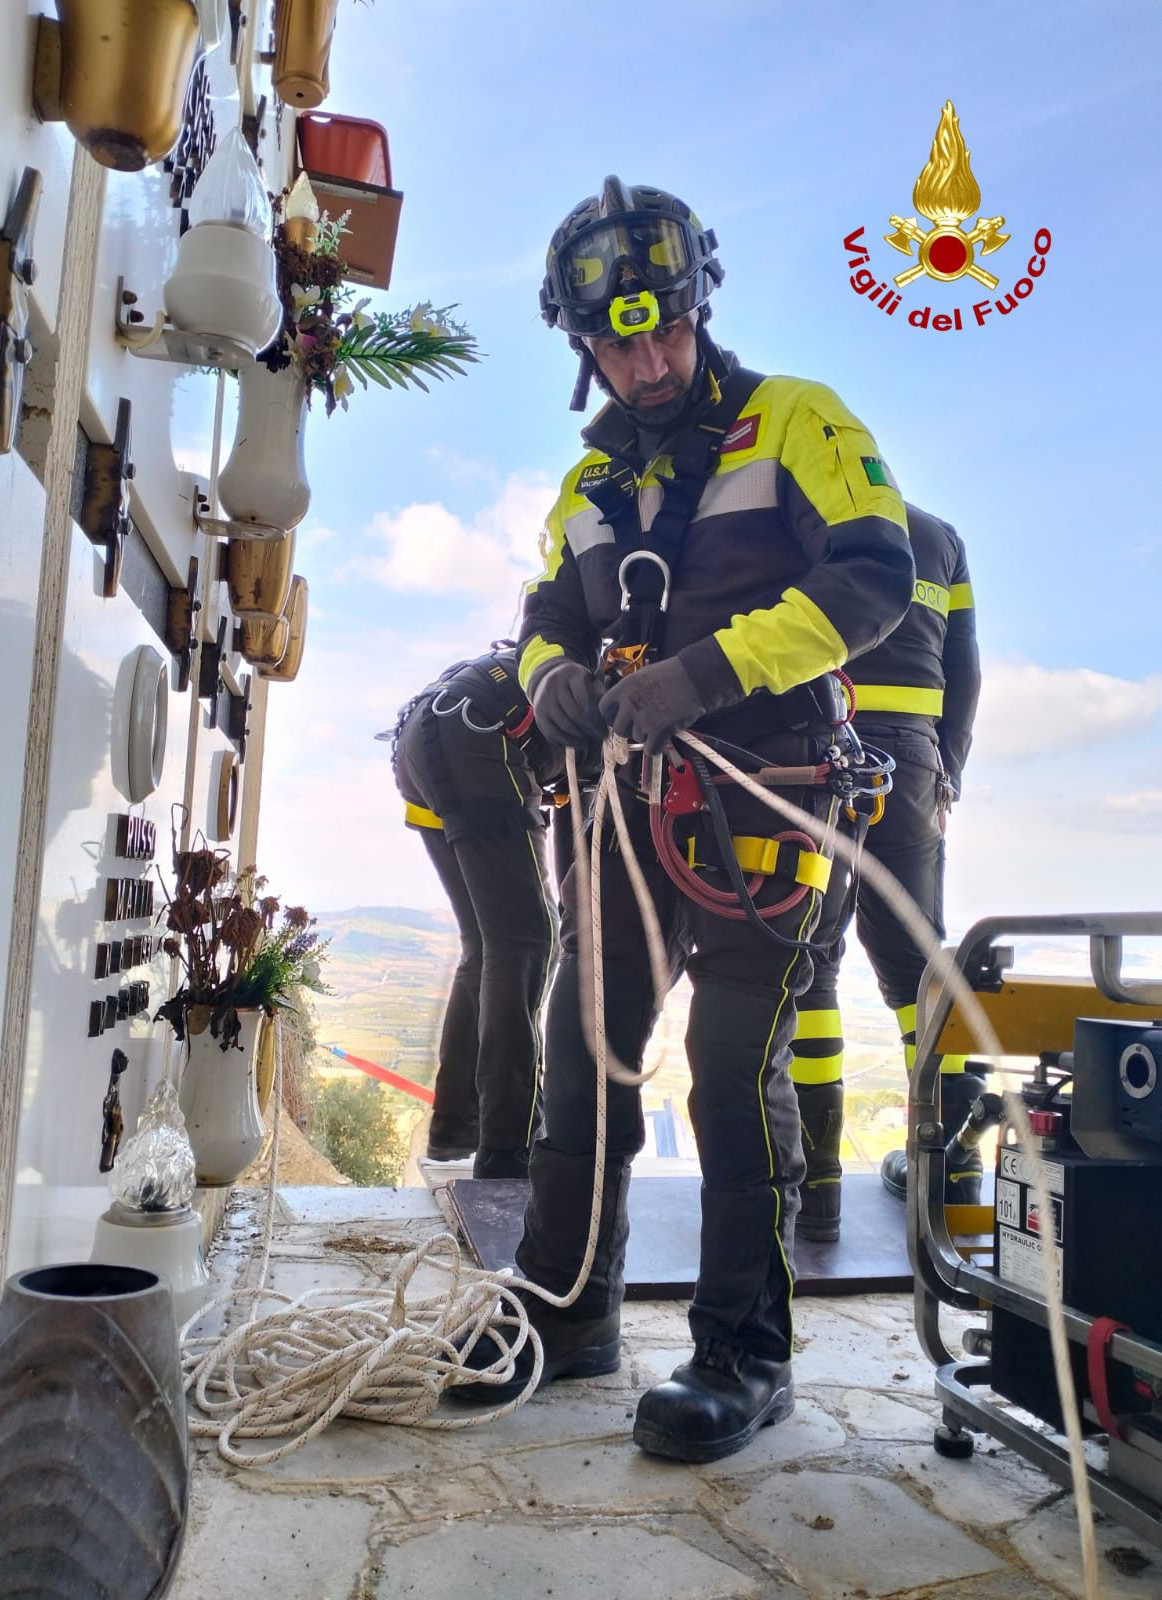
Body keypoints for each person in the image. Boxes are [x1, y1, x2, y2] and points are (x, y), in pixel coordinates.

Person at [452, 177, 913, 1462]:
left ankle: (741, 1356)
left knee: (727, 1070)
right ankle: (564, 1313)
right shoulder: (588, 480)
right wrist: (553, 682)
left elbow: (876, 576)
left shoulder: (798, 423)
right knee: (586, 1048)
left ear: (700, 307)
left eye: (664, 329)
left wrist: (702, 676)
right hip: (621, 815)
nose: (646, 360)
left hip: (760, 816)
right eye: (617, 340)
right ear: (582, 345)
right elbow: (548, 615)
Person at [790, 506, 982, 1241]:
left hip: (816, 752)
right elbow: (964, 664)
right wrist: (946, 771)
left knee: (808, 961)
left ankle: (816, 1190)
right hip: (912, 761)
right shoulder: (940, 534)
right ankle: (954, 1174)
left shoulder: (798, 515)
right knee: (921, 968)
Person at [386, 647, 560, 1179]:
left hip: (423, 738)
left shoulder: (570, 659)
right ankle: (510, 1146)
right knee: (530, 940)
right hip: (478, 735)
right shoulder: (619, 692)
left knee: (489, 944)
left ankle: (457, 1127)